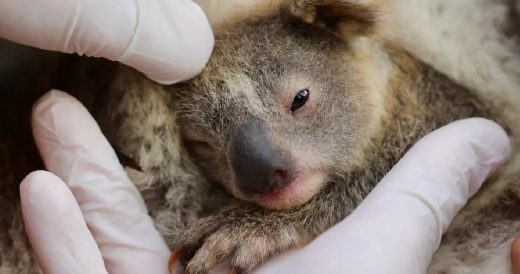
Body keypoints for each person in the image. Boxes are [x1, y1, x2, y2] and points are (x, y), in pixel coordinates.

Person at [0, 0, 516, 273]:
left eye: (298, 102)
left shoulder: (388, 68)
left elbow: (467, 128)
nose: (261, 172)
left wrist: (298, 221)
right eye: (204, 144)